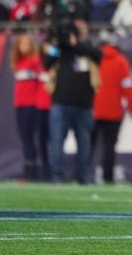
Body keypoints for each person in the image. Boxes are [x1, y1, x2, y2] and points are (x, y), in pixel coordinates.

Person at [43, 20, 102, 184]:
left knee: (84, 144)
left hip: (84, 105)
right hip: (61, 103)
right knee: (56, 142)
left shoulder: (86, 49)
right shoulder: (59, 51)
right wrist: (57, 44)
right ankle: (57, 177)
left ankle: (83, 177)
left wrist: (74, 44)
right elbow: (46, 63)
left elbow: (98, 55)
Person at [92, 29, 132, 184]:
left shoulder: (93, 60)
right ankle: (107, 176)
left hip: (92, 109)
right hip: (113, 111)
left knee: (88, 145)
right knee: (109, 147)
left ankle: (84, 174)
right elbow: (127, 87)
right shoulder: (120, 61)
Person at [10, 33, 49, 180]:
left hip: (31, 105)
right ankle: (29, 171)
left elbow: (43, 79)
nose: (24, 47)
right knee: (24, 137)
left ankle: (32, 173)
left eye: (27, 44)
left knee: (29, 138)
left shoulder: (35, 61)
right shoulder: (18, 62)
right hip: (20, 103)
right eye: (22, 44)